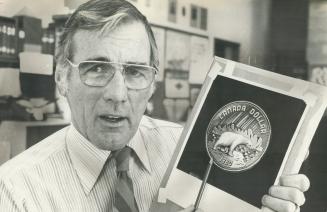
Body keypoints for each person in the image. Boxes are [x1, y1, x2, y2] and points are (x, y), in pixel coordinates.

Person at [0, 0, 309, 211]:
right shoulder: (16, 192)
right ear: (63, 78)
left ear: (152, 85)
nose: (118, 94)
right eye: (96, 68)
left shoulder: (194, 150)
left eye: (135, 72)